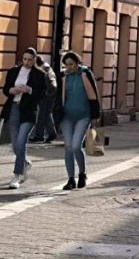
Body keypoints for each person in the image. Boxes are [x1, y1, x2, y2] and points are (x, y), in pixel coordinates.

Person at [1, 47, 45, 189]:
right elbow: (5, 89)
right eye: (25, 59)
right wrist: (11, 90)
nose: (26, 62)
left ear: (34, 60)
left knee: (21, 143)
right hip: (13, 108)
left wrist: (29, 90)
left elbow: (43, 94)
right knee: (15, 145)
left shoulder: (40, 74)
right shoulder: (13, 71)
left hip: (29, 111)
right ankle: (24, 162)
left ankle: (17, 176)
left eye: (30, 60)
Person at [57, 51, 100, 191]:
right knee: (68, 147)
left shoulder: (85, 74)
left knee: (76, 146)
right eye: (66, 65)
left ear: (77, 64)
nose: (68, 67)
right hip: (67, 117)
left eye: (71, 64)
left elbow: (93, 96)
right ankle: (70, 179)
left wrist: (95, 116)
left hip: (83, 116)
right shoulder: (63, 77)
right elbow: (57, 97)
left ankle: (82, 173)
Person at [29, 55, 58, 143]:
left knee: (41, 114)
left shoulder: (42, 69)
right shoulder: (47, 67)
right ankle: (51, 133)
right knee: (46, 113)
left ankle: (40, 135)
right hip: (50, 93)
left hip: (45, 94)